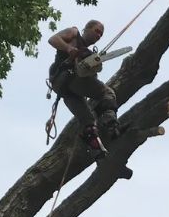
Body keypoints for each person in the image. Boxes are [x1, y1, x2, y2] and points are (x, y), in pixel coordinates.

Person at [47, 19, 119, 150]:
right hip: (67, 77)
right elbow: (52, 39)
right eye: (97, 31)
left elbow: (89, 77)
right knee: (107, 93)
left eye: (101, 35)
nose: (98, 36)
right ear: (86, 28)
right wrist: (69, 48)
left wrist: (93, 65)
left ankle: (97, 151)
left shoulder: (88, 53)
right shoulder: (73, 33)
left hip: (66, 91)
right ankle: (110, 123)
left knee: (88, 121)